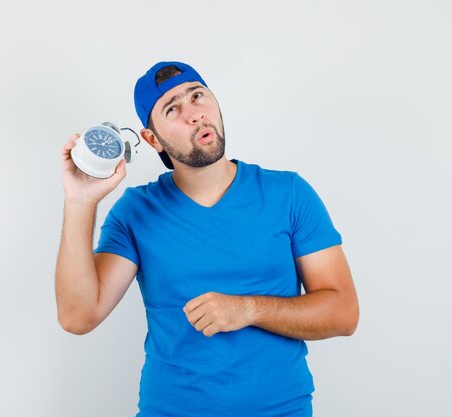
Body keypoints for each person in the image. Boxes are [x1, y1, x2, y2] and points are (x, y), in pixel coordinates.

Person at [56, 61, 359, 417]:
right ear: (153, 140)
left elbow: (344, 313)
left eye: (198, 96)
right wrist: (80, 202)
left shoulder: (289, 194)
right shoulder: (136, 211)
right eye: (173, 109)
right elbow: (78, 316)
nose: (194, 114)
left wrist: (247, 310)